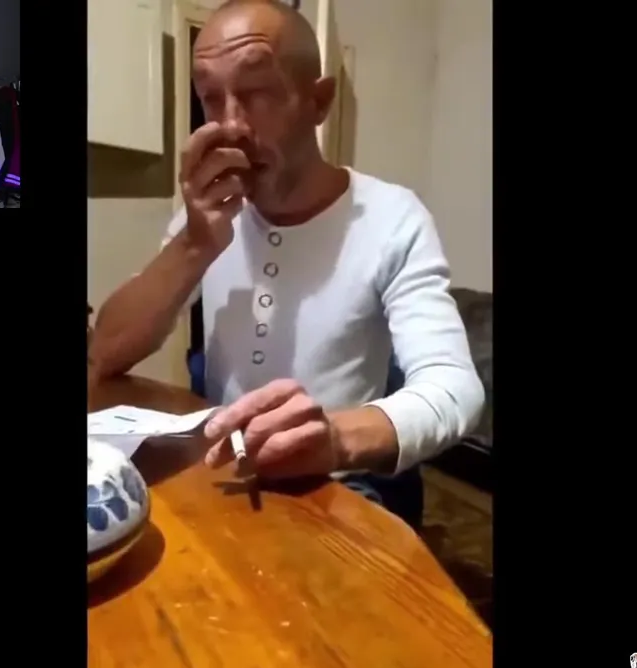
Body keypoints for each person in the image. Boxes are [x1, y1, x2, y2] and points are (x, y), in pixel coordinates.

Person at [90, 0, 484, 522]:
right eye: (211, 98)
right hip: (222, 469)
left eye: (257, 93)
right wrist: (194, 245)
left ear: (319, 102)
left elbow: (455, 389)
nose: (231, 125)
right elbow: (104, 354)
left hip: (336, 485)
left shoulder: (393, 217)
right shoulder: (207, 214)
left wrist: (333, 439)